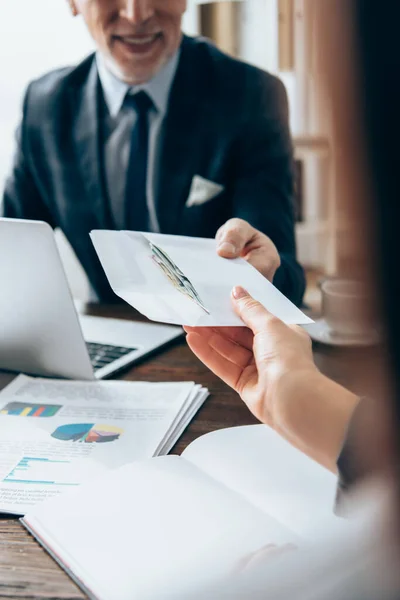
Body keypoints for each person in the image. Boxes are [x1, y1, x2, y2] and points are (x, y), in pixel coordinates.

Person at [183, 0, 400, 597]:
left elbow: (278, 247)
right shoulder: (46, 101)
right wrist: (297, 401)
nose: (133, 11)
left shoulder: (248, 91)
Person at [1, 0, 305, 305]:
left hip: (213, 341)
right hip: (108, 331)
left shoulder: (252, 96)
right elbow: (10, 250)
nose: (137, 14)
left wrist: (263, 271)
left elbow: (285, 271)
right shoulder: (45, 106)